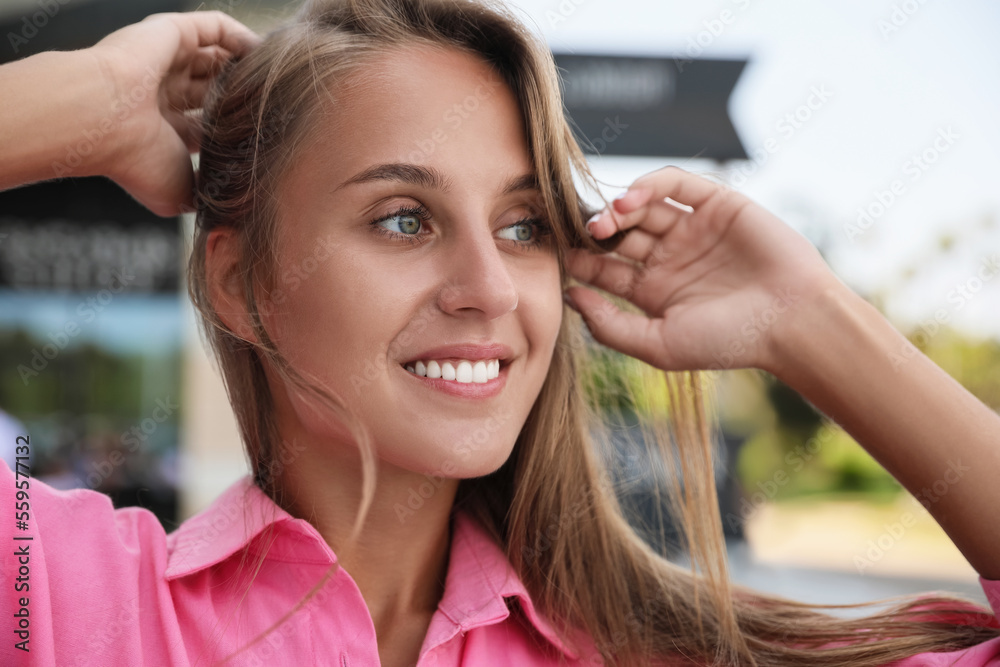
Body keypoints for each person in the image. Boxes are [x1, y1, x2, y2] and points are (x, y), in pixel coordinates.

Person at [1, 2, 998, 666]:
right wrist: (92, 105)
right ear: (238, 280)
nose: (488, 287)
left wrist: (808, 321)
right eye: (404, 217)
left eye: (523, 226)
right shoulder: (55, 595)